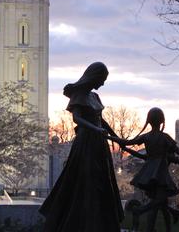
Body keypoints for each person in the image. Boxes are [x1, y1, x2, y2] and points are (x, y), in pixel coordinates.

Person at [39, 62, 123, 232]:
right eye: (102, 79)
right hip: (86, 143)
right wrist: (95, 129)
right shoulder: (79, 95)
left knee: (101, 179)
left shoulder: (95, 97)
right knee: (85, 179)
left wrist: (116, 137)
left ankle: (101, 221)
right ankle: (78, 220)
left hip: (99, 144)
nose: (103, 83)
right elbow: (77, 119)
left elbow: (102, 120)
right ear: (95, 76)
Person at [110, 107, 179, 232]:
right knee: (158, 201)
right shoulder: (165, 137)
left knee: (159, 201)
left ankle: (157, 216)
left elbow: (128, 142)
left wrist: (112, 138)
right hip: (160, 173)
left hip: (149, 173)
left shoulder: (147, 136)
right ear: (162, 121)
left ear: (149, 121)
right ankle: (150, 213)